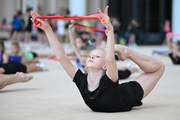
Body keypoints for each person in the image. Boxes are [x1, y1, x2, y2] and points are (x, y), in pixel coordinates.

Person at [31, 6, 164, 112]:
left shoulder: (110, 78)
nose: (91, 56)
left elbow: (110, 59)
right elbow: (61, 56)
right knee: (156, 69)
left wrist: (110, 30)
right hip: (116, 93)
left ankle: (126, 51)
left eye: (97, 56)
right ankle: (123, 50)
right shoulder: (81, 80)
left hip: (126, 96)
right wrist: (47, 29)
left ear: (104, 66)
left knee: (159, 68)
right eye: (91, 55)